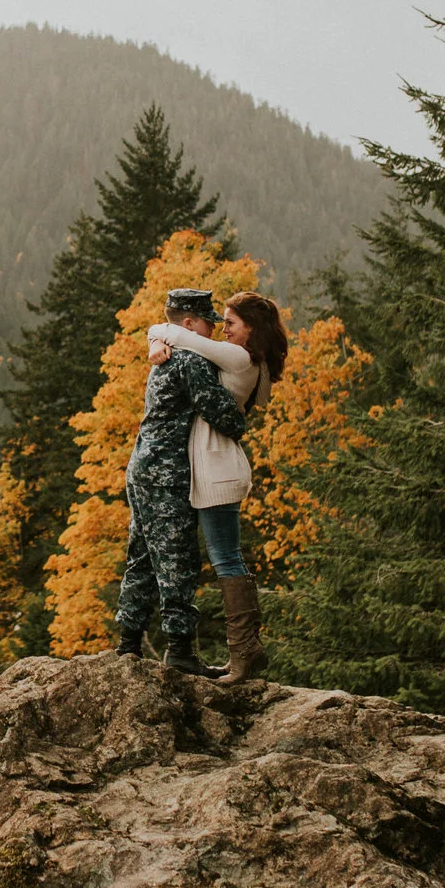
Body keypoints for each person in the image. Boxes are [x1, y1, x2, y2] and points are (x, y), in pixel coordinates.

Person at [148, 290, 290, 681]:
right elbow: (181, 336)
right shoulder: (247, 359)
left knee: (227, 559)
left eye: (230, 323)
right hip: (218, 464)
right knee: (226, 557)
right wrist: (158, 341)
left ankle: (246, 653)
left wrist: (156, 335)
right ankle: (245, 652)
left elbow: (185, 336)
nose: (223, 329)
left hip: (218, 468)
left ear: (251, 329)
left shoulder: (240, 357)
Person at [117, 288, 248, 675]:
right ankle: (180, 651)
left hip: (141, 466)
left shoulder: (166, 355)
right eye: (208, 321)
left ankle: (127, 644)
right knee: (178, 560)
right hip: (167, 473)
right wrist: (244, 412)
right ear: (188, 323)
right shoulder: (190, 360)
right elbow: (224, 416)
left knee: (140, 557)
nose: (212, 329)